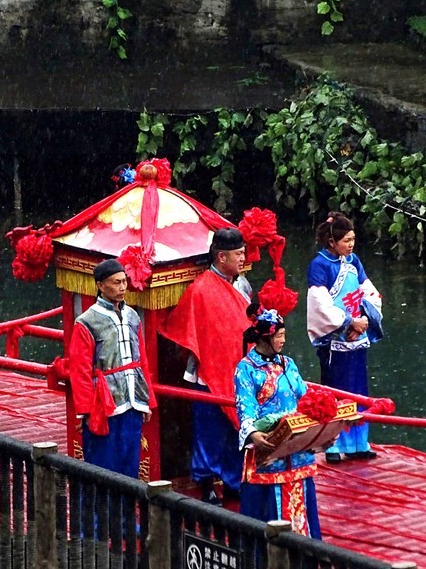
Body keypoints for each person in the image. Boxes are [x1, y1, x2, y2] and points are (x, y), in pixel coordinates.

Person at [159, 227, 252, 505]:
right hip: (209, 371)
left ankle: (235, 480)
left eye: (244, 253)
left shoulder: (244, 286)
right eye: (238, 254)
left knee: (235, 431)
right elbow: (187, 330)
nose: (242, 259)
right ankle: (207, 482)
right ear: (221, 256)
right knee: (209, 431)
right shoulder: (200, 289)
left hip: (241, 369)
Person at [235, 306, 321, 538]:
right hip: (269, 449)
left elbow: (304, 396)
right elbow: (245, 406)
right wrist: (253, 434)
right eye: (279, 335)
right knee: (268, 520)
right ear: (266, 337)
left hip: (298, 449)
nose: (284, 340)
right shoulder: (246, 369)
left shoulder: (288, 363)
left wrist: (321, 424)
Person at [67, 259, 157, 478]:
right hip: (103, 404)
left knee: (130, 464)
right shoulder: (86, 322)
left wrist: (148, 401)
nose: (122, 287)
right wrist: (86, 411)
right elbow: (80, 371)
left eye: (124, 282)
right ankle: (100, 513)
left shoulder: (132, 316)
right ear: (100, 285)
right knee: (103, 467)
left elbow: (142, 360)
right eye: (116, 283)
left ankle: (126, 512)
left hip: (133, 402)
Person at [306, 212, 383, 463]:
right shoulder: (319, 266)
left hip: (356, 336)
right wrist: (349, 322)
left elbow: (368, 291)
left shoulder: (353, 260)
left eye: (353, 239)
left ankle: (359, 442)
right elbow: (320, 306)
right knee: (336, 391)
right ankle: (332, 444)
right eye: (346, 240)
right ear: (331, 241)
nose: (350, 244)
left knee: (358, 389)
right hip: (336, 340)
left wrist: (364, 321)